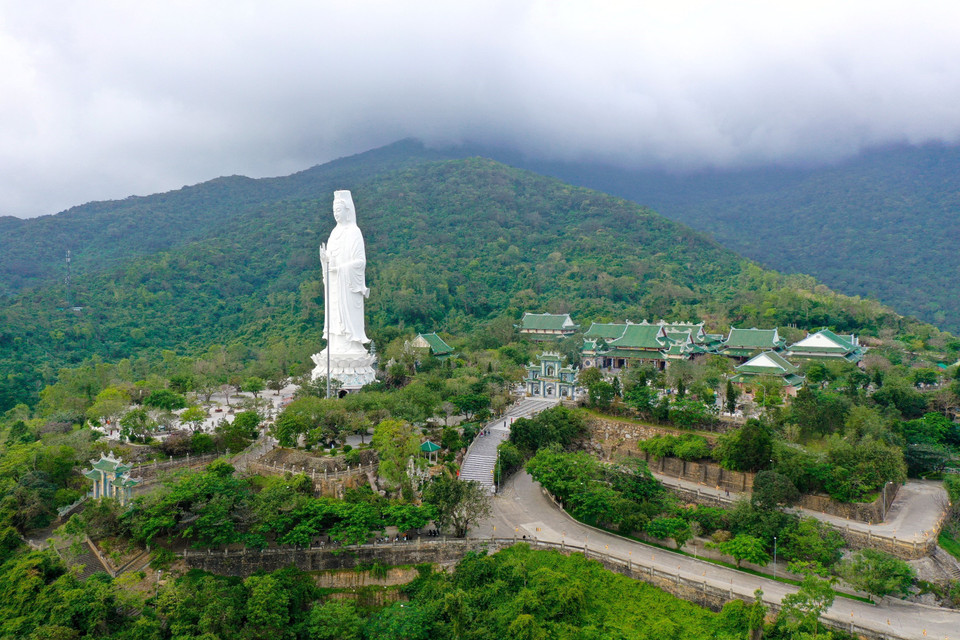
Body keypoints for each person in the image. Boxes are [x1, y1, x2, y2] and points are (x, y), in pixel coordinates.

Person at [319, 190, 370, 355]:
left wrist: (340, 269)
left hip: (347, 285)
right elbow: (330, 259)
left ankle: (351, 345)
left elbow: (360, 262)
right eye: (334, 211)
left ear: (347, 210)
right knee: (334, 315)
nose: (336, 214)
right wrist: (325, 260)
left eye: (339, 210)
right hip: (334, 284)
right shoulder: (334, 233)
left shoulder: (354, 232)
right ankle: (334, 344)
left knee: (346, 315)